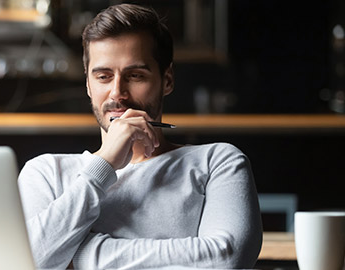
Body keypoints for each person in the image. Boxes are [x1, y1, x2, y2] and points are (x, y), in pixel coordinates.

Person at [18, 3, 262, 269]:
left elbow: (227, 259)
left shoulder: (218, 162)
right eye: (103, 76)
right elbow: (24, 262)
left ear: (167, 80)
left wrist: (81, 254)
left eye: (135, 75)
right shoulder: (46, 172)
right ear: (88, 84)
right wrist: (104, 164)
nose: (117, 93)